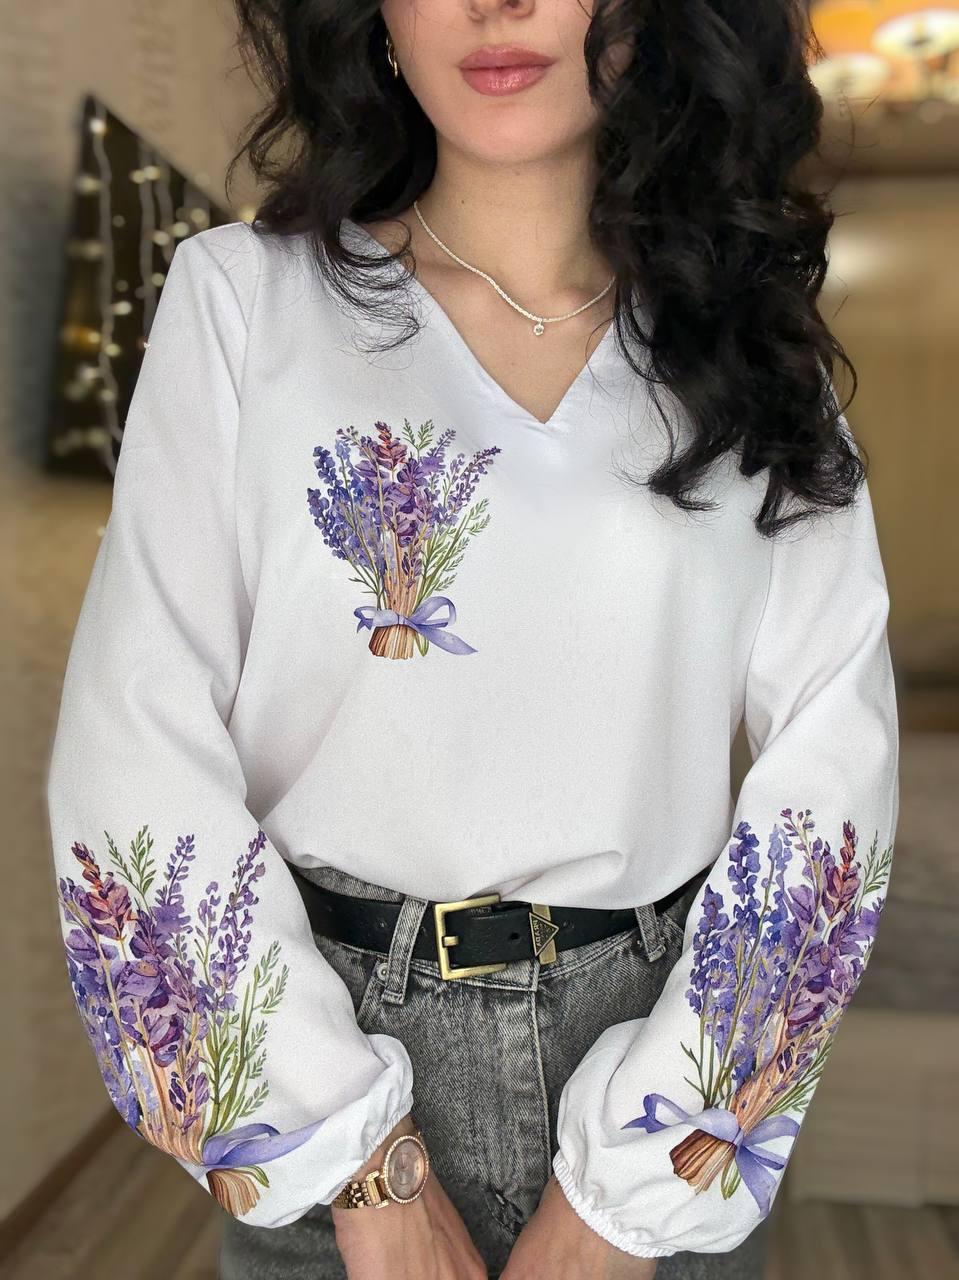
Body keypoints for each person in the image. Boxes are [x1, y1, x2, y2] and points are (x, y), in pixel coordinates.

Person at [45, 1, 900, 1278]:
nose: (495, 4)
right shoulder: (244, 300)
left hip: (658, 1058)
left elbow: (834, 765)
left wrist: (629, 1193)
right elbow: (134, 737)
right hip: (323, 1054)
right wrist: (353, 1158)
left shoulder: (749, 350)